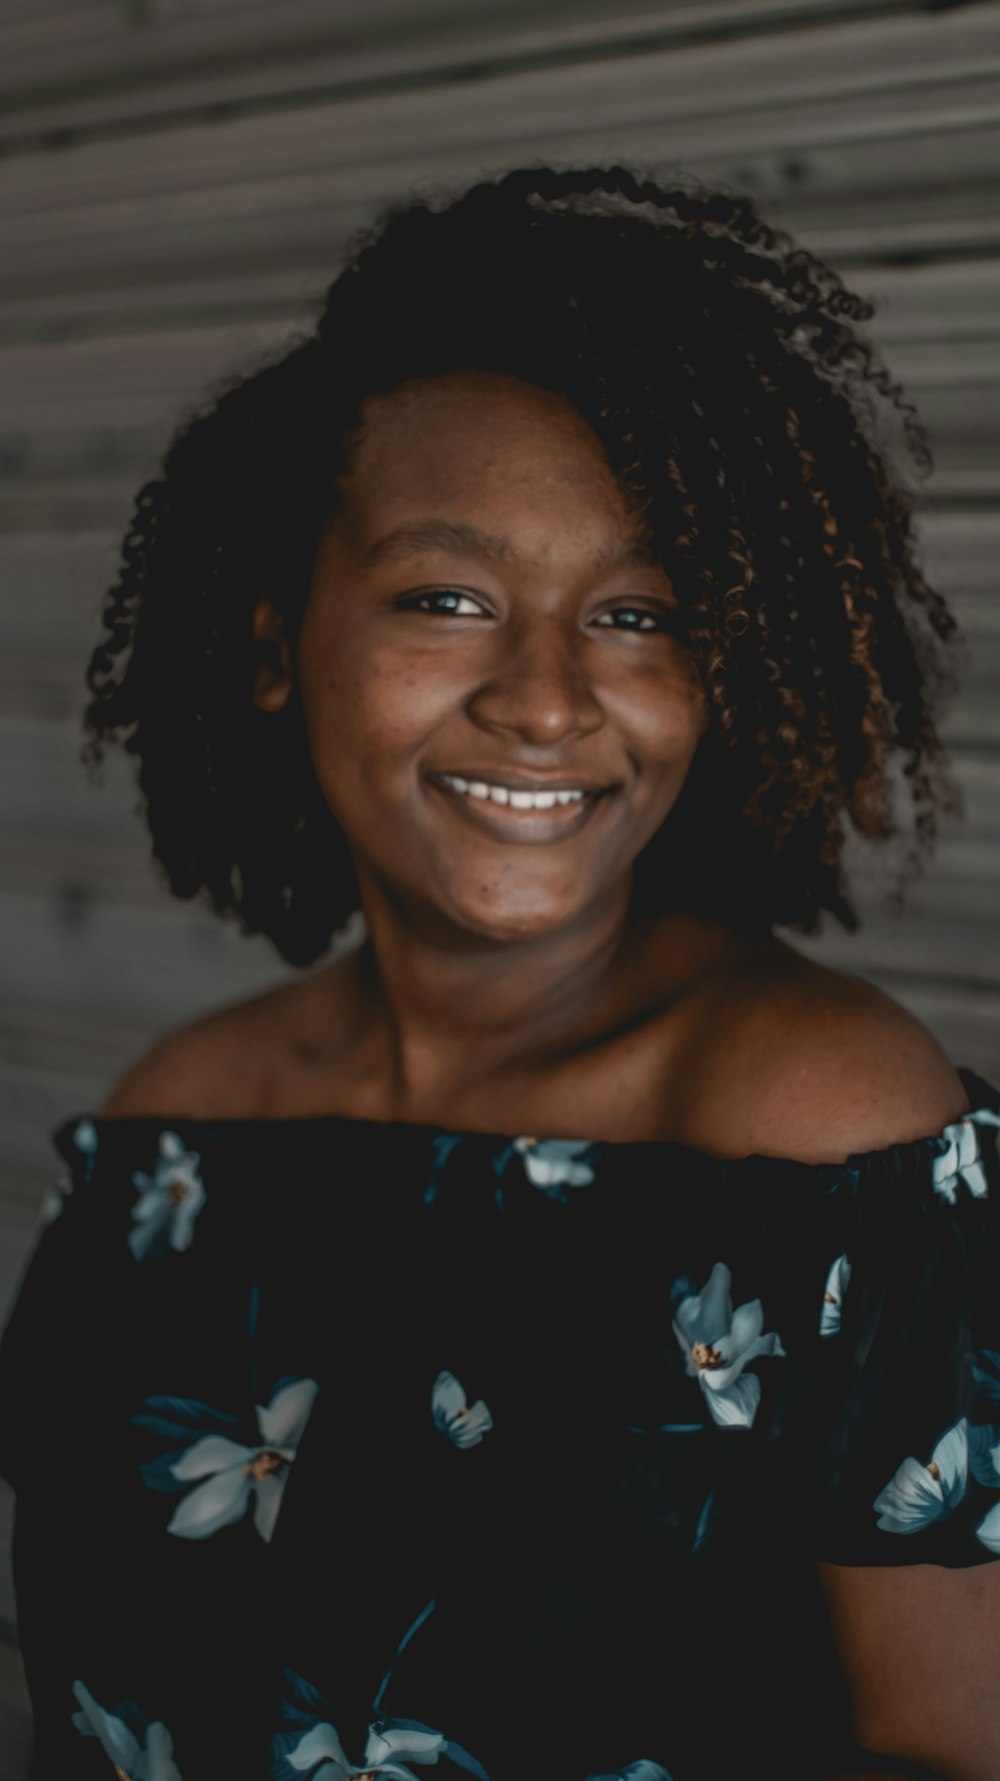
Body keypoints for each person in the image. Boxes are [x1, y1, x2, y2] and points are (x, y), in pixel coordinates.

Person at [0, 162, 998, 1781]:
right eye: (447, 596)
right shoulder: (172, 1135)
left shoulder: (823, 1132)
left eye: (638, 614)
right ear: (275, 640)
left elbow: (959, 1748)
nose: (546, 698)